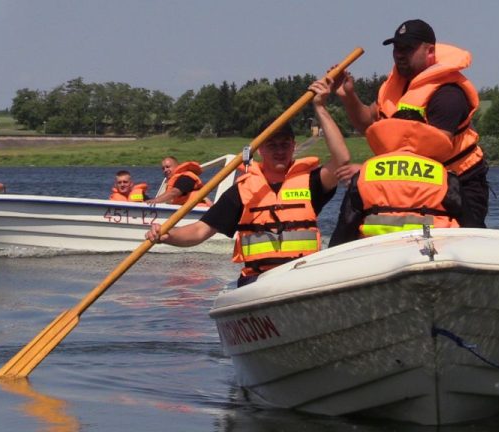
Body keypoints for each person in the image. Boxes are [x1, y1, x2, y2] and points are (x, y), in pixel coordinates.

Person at [146, 77, 350, 286]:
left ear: (293, 146)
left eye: (284, 144)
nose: (279, 151)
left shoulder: (311, 181)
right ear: (260, 149)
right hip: (258, 282)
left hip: (302, 278)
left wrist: (320, 107)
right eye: (272, 145)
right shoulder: (242, 191)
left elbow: (342, 159)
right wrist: (168, 235)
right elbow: (200, 231)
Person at [333, 19, 489, 228]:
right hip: (410, 181)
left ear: (430, 51)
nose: (399, 54)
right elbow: (369, 125)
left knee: (460, 239)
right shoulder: (395, 86)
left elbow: (431, 152)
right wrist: (348, 95)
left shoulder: (448, 94)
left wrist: (371, 171)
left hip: (459, 184)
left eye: (408, 48)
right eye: (396, 48)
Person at [329, 111, 462, 247]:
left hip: (376, 254)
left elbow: (346, 225)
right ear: (426, 134)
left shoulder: (365, 173)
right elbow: (468, 223)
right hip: (430, 251)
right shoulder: (443, 175)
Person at [145, 156, 212, 206]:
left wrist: (155, 200)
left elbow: (174, 192)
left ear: (177, 166)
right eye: (163, 168)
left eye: (168, 167)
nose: (165, 170)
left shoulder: (187, 177)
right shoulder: (174, 180)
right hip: (185, 210)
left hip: (198, 210)